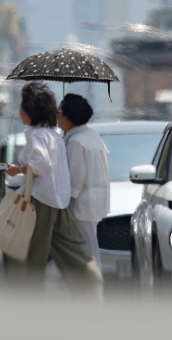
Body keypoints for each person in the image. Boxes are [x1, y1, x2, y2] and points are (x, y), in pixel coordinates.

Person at [3, 82, 103, 288]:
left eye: (22, 106)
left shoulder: (36, 134)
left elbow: (40, 164)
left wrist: (17, 170)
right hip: (59, 201)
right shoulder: (54, 135)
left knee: (25, 252)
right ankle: (92, 281)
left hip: (40, 200)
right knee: (72, 250)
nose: (19, 111)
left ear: (30, 111)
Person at [57, 93, 110, 268]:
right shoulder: (91, 135)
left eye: (59, 112)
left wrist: (65, 206)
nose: (57, 116)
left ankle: (94, 290)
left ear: (67, 116)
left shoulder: (76, 142)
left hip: (81, 205)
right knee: (90, 248)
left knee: (87, 252)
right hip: (94, 203)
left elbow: (75, 179)